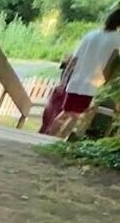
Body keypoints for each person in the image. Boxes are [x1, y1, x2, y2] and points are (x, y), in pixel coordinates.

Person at [41, 7, 120, 135]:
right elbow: (110, 65)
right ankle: (58, 140)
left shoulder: (90, 35)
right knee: (75, 116)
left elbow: (74, 59)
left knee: (65, 113)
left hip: (75, 81)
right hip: (92, 85)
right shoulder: (117, 40)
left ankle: (48, 135)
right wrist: (106, 84)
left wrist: (64, 80)